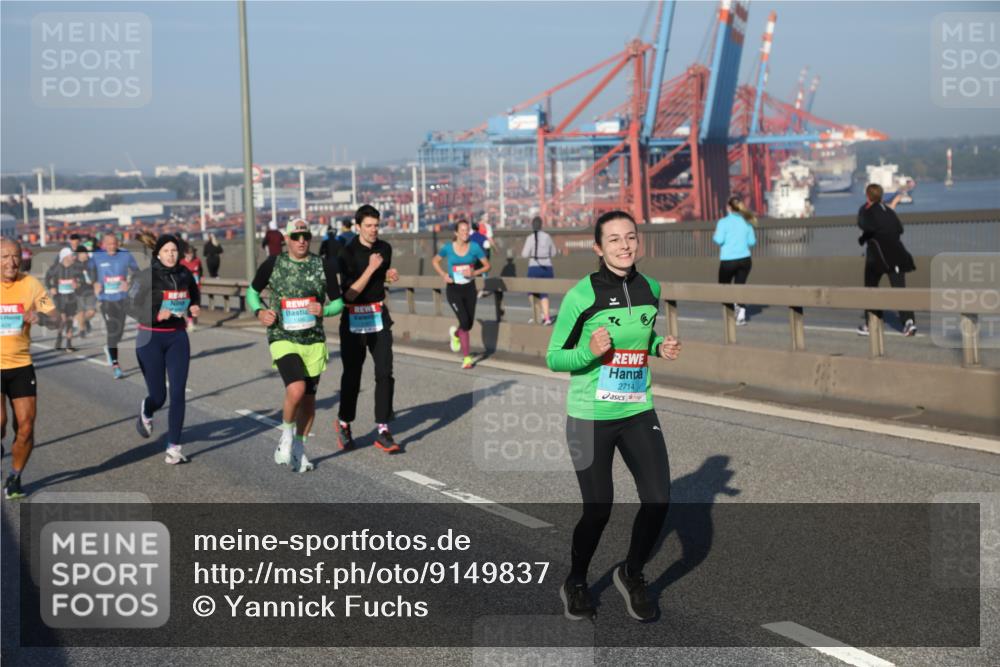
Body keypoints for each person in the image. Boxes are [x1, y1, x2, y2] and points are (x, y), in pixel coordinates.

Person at [546, 210, 681, 623]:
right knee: (599, 508)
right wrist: (589, 352)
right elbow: (554, 357)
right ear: (598, 248)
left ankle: (631, 573)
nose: (625, 246)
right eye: (615, 240)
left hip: (637, 409)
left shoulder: (650, 288)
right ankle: (577, 581)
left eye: (631, 237)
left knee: (658, 500)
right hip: (589, 415)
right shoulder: (581, 296)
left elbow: (640, 338)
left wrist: (658, 347)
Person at [247, 218, 343, 472]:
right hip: (282, 336)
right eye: (296, 237)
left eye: (306, 236)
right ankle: (286, 435)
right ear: (287, 239)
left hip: (313, 341)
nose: (302, 241)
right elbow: (252, 292)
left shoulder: (323, 265)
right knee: (296, 389)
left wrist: (324, 309)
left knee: (309, 402)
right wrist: (259, 312)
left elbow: (338, 303)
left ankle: (299, 448)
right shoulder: (273, 263)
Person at [335, 204, 401, 454]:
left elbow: (379, 280)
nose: (374, 230)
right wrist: (372, 268)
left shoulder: (385, 248)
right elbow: (349, 295)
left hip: (377, 316)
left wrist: (387, 275)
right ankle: (344, 422)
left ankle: (383, 429)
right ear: (358, 227)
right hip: (353, 318)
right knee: (353, 375)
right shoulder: (346, 253)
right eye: (369, 226)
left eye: (376, 225)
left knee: (385, 372)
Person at [131, 234, 201, 464]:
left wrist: (194, 306)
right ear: (158, 254)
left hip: (177, 337)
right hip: (149, 338)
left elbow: (194, 294)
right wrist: (155, 315)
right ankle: (147, 409)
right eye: (166, 251)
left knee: (178, 392)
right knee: (159, 396)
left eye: (174, 250)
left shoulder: (184, 274)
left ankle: (173, 448)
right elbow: (130, 306)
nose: (171, 255)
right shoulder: (145, 276)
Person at [1, 238, 56, 499]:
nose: (11, 262)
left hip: (21, 365)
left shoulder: (31, 284)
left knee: (25, 426)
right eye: (4, 256)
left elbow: (55, 318)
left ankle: (15, 477)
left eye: (15, 256)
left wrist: (40, 316)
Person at [856, 183, 917, 337]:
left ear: (868, 196)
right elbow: (900, 229)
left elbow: (864, 225)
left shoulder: (866, 211)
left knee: (870, 288)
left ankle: (871, 324)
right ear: (881, 195)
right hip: (898, 255)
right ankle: (909, 322)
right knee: (900, 290)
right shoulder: (889, 211)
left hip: (877, 257)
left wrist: (865, 237)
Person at [432, 219, 490, 369]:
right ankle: (466, 358)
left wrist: (474, 272)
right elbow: (435, 261)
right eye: (462, 230)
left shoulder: (474, 247)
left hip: (470, 288)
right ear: (456, 233)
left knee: (468, 324)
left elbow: (487, 266)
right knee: (464, 321)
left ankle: (456, 334)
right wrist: (444, 275)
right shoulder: (448, 248)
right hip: (454, 289)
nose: (465, 233)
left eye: (467, 230)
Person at [89, 232, 139, 379]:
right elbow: (88, 270)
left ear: (118, 243)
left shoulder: (125, 255)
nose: (112, 247)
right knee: (112, 330)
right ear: (104, 244)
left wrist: (129, 284)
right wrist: (94, 283)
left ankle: (109, 347)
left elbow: (137, 273)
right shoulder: (97, 256)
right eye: (109, 244)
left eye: (114, 243)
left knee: (119, 332)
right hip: (106, 300)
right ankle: (116, 365)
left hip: (122, 299)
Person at [712, 196, 757, 326]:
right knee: (739, 287)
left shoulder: (723, 222)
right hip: (745, 260)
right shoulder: (747, 221)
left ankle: (731, 313)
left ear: (728, 208)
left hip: (728, 261)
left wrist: (714, 236)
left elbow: (719, 240)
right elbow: (752, 242)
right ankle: (740, 316)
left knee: (724, 288)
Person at [521, 215, 558, 325]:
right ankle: (547, 318)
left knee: (531, 291)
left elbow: (524, 254)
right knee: (544, 293)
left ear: (532, 226)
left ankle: (537, 315)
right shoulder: (547, 237)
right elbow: (554, 253)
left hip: (534, 267)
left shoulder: (530, 238)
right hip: (547, 267)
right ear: (541, 225)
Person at [44, 248, 83, 352]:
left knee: (70, 320)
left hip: (72, 297)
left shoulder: (76, 268)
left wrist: (78, 284)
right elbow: (47, 278)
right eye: (71, 255)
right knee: (63, 319)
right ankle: (59, 337)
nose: (73, 257)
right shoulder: (56, 268)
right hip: (59, 297)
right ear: (65, 256)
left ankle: (69, 344)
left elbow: (82, 280)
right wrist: (51, 287)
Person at [74, 244, 97, 338]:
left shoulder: (91, 263)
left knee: (92, 312)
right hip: (79, 292)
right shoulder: (74, 264)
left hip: (90, 291)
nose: (87, 255)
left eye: (87, 253)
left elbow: (96, 274)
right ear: (79, 254)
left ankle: (85, 321)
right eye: (84, 253)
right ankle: (82, 330)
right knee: (80, 312)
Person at [179, 246, 202, 331]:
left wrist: (201, 278)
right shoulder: (182, 263)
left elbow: (201, 270)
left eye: (191, 254)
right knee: (186, 305)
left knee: (194, 304)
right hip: (185, 287)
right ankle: (187, 321)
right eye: (188, 254)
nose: (190, 256)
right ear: (185, 254)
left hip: (196, 286)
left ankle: (190, 322)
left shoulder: (197, 261)